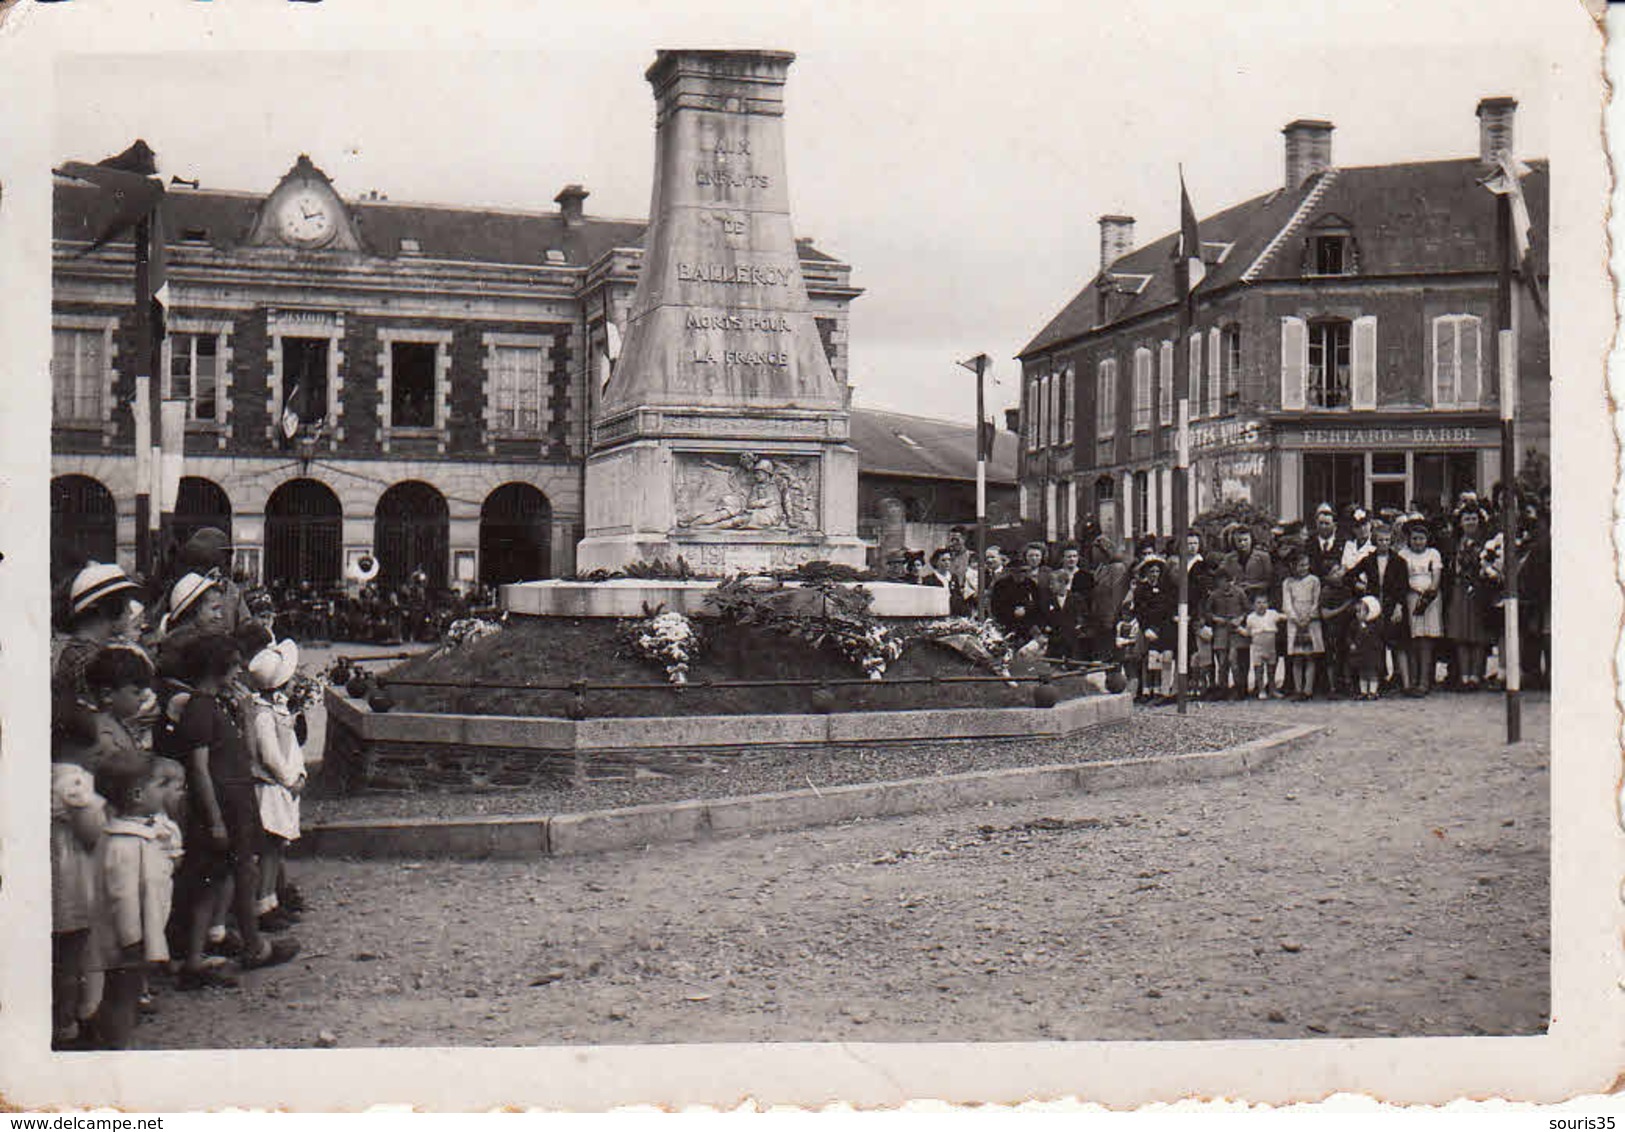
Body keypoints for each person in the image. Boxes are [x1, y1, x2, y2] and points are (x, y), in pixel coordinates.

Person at [157, 634, 299, 988]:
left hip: (233, 802)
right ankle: (252, 946)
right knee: (234, 875)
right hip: (223, 807)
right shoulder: (201, 709)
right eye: (234, 665)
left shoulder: (213, 705)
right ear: (215, 668)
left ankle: (199, 957)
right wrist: (216, 819)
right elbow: (200, 769)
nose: (239, 671)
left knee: (220, 879)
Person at [87, 752, 171, 1049]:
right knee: (122, 993)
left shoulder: (138, 835)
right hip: (127, 940)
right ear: (138, 795)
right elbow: (122, 896)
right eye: (160, 785)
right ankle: (117, 1048)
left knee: (126, 990)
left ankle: (104, 1030)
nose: (165, 791)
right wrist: (131, 939)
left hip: (136, 935)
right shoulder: (122, 844)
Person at [245, 639, 307, 934]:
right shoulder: (263, 716)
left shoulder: (278, 711)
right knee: (268, 847)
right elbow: (270, 755)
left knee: (276, 848)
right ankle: (262, 903)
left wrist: (300, 774)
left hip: (284, 790)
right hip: (270, 790)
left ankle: (270, 900)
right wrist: (289, 779)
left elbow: (292, 748)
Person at [51, 748, 107, 1048]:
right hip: (70, 875)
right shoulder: (73, 780)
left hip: (46, 869)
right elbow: (91, 834)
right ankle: (68, 1025)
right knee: (72, 955)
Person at [1353, 521, 1410, 692]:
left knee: (1398, 644)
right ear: (1375, 541)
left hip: (1392, 606)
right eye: (1380, 540)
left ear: (1391, 540)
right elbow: (1350, 575)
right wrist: (1359, 587)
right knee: (1375, 644)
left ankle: (1405, 682)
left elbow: (1403, 586)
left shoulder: (1399, 561)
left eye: (1387, 540)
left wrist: (1399, 607)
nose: (1383, 544)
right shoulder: (1368, 560)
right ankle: (1377, 682)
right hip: (1374, 607)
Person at [1446, 506, 1494, 690]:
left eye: (1474, 518)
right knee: (1461, 634)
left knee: (1478, 634)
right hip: (1460, 589)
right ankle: (1464, 676)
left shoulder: (1486, 543)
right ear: (1461, 522)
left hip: (1479, 589)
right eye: (1467, 519)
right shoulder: (1456, 542)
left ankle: (1476, 675)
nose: (1471, 522)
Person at [1397, 520, 1444, 695]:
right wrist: (1413, 590)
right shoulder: (1403, 554)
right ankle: (1413, 680)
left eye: (1421, 538)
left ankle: (1425, 681)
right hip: (1411, 597)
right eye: (1415, 538)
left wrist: (1429, 592)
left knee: (1427, 639)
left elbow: (1436, 576)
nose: (1418, 542)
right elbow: (1401, 577)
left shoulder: (1433, 554)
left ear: (1427, 539)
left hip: (1430, 599)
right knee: (1413, 639)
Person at [1280, 553, 1324, 700]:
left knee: (1310, 656)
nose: (1303, 568)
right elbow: (1287, 603)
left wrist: (1309, 616)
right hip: (1295, 622)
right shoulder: (1288, 582)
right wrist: (1295, 618)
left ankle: (1308, 690)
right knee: (1297, 657)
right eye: (1300, 565)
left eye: (1306, 565)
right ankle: (1298, 689)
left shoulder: (1314, 581)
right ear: (1293, 566)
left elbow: (1317, 600)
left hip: (1311, 622)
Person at [1132, 556, 1176, 702]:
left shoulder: (1165, 589)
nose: (1154, 574)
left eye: (1157, 571)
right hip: (1149, 628)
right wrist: (1145, 629)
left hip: (1165, 627)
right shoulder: (1140, 589)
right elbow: (1139, 611)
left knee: (1167, 657)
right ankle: (1148, 690)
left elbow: (1168, 608)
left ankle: (1164, 690)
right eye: (1151, 571)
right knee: (1149, 659)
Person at [988, 544, 1048, 645]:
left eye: (1024, 572)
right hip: (1007, 625)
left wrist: (1026, 610)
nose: (1020, 575)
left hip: (1028, 627)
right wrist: (1012, 612)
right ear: (1011, 572)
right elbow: (996, 607)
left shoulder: (1031, 584)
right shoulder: (1001, 585)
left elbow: (1038, 605)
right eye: (1017, 572)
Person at [1205, 568, 1247, 699]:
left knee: (1233, 660)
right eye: (1221, 581)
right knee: (1222, 662)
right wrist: (1215, 618)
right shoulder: (1214, 595)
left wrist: (1240, 618)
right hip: (1221, 631)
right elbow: (1207, 612)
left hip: (1235, 630)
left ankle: (1239, 689)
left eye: (1226, 581)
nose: (1224, 584)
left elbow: (1248, 609)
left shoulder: (1239, 593)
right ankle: (1223, 688)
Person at [1318, 564, 1356, 698]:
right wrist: (1343, 607)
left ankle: (1347, 683)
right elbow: (1325, 614)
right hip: (1332, 628)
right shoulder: (1326, 591)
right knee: (1332, 658)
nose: (1338, 575)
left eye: (1340, 571)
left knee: (1346, 656)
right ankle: (1332, 686)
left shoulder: (1347, 589)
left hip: (1346, 627)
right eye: (1334, 572)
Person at [1239, 591, 1284, 700]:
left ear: (1268, 604)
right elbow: (1248, 633)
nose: (1261, 605)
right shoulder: (1251, 618)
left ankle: (1272, 690)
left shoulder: (1272, 614)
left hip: (1271, 646)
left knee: (1271, 669)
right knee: (1259, 669)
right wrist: (1238, 628)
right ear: (1253, 605)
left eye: (1264, 602)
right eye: (1258, 603)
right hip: (1257, 647)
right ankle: (1261, 690)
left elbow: (1283, 617)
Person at [1348, 596, 1387, 700]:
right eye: (1357, 611)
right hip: (1360, 652)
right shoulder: (1354, 624)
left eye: (1361, 611)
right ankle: (1363, 691)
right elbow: (1349, 636)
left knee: (1372, 673)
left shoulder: (1376, 625)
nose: (1357, 614)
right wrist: (1351, 643)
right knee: (1362, 673)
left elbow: (1379, 637)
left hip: (1372, 653)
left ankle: (1373, 691)